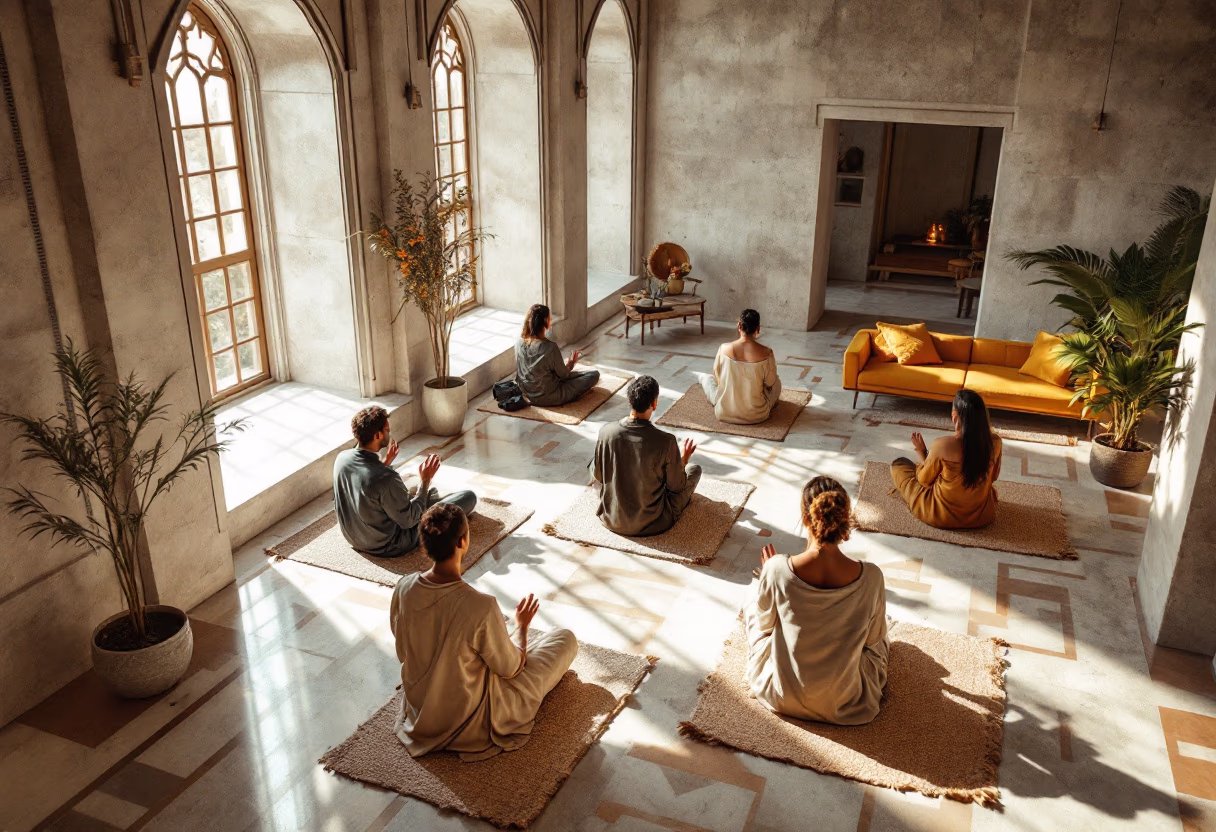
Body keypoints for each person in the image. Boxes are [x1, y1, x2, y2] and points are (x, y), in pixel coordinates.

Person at [390, 503, 578, 760]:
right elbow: (510, 669)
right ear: (462, 542)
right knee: (564, 639)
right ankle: (512, 636)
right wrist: (522, 628)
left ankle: (502, 639)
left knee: (488, 641)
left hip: (420, 710)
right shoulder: (480, 605)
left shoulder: (403, 586)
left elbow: (403, 647)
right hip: (473, 717)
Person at [745, 476, 889, 725]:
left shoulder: (778, 568)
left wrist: (769, 574)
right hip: (846, 703)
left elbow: (766, 625)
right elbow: (872, 639)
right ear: (845, 520)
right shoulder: (872, 576)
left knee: (751, 606)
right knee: (883, 638)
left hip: (782, 696)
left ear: (805, 517)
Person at [333, 405, 477, 558]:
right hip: (389, 544)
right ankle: (432, 501)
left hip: (354, 538)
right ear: (377, 435)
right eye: (387, 430)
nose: (389, 433)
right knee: (468, 497)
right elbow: (408, 521)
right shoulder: (385, 478)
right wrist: (426, 479)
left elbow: (365, 483)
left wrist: (386, 462)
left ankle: (428, 499)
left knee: (410, 488)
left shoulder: (341, 458)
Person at [591, 375, 701, 536]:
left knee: (593, 462)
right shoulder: (666, 441)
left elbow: (598, 475)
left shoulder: (606, 432)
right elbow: (676, 486)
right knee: (694, 470)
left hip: (611, 519)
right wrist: (683, 460)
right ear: (655, 403)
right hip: (654, 523)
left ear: (629, 401)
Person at [889, 389, 1003, 530]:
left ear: (954, 417)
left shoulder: (942, 445)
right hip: (981, 517)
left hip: (940, 516)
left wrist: (923, 453)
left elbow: (923, 480)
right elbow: (993, 476)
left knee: (899, 464)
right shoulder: (995, 442)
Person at [698, 308, 782, 424]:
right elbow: (770, 382)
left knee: (708, 379)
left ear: (739, 326)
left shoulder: (723, 348)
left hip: (724, 412)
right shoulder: (767, 353)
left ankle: (703, 380)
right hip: (757, 415)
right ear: (758, 329)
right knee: (777, 382)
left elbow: (717, 378)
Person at [515, 303, 600, 407]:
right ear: (546, 321)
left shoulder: (519, 343)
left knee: (576, 375)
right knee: (593, 375)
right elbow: (564, 375)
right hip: (551, 396)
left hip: (526, 395)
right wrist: (571, 363)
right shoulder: (550, 347)